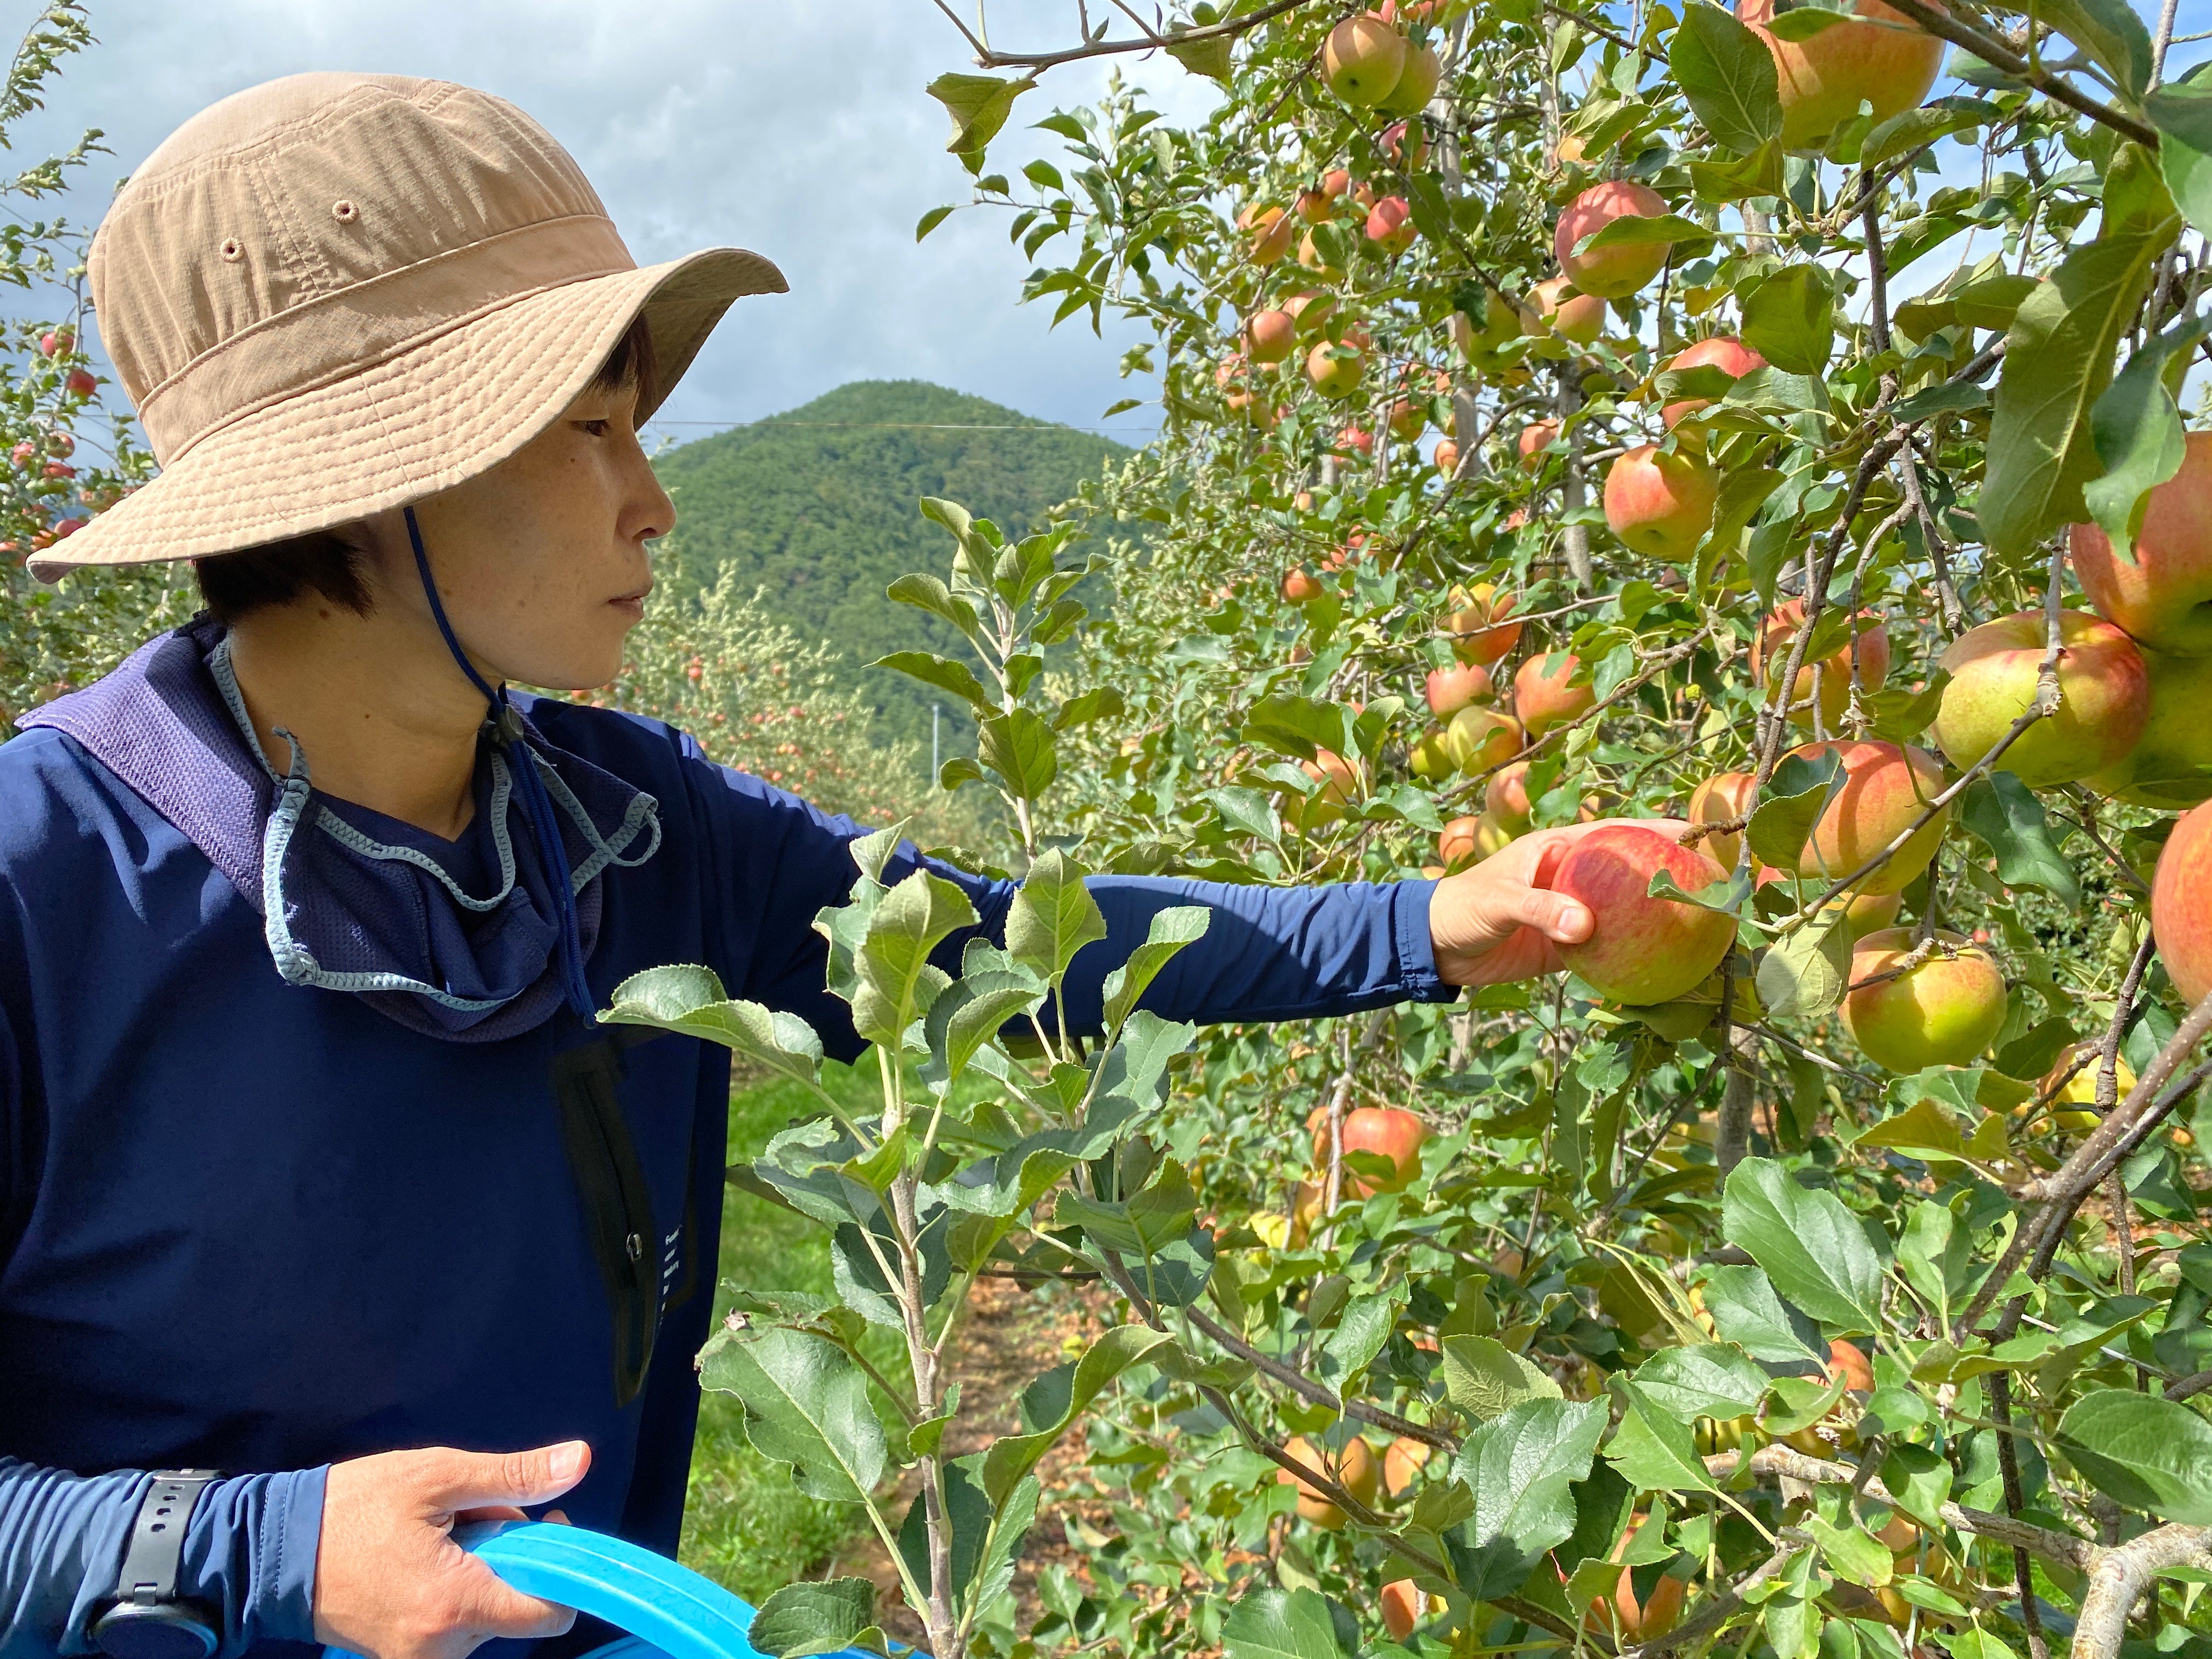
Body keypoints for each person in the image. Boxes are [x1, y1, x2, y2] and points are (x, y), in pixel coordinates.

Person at [0, 73, 1655, 1659]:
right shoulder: (42, 893)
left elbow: (1004, 947)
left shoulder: (626, 824)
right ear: (372, 483)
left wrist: (1425, 926)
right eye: (589, 432)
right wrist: (254, 1555)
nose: (654, 504)